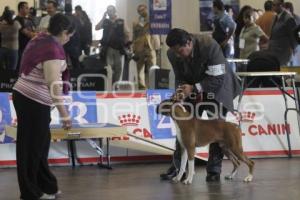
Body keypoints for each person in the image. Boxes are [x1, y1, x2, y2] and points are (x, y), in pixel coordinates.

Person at [160, 28, 241, 182]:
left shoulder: (209, 45)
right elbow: (180, 76)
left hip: (218, 87)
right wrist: (180, 92)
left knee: (217, 126)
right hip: (192, 88)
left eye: (180, 51)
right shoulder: (172, 53)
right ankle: (179, 168)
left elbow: (217, 78)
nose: (177, 55)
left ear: (189, 43)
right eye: (174, 51)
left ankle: (213, 170)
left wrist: (195, 88)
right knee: (184, 127)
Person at [12, 13, 73, 200]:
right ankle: (31, 192)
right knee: (31, 148)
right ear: (63, 32)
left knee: (39, 145)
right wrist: (64, 114)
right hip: (32, 101)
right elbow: (52, 83)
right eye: (69, 35)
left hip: (28, 97)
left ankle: (47, 185)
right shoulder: (52, 50)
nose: (69, 39)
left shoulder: (42, 37)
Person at [95, 5, 129, 85]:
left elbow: (127, 33)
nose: (110, 12)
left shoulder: (121, 21)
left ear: (114, 11)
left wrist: (126, 44)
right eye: (108, 10)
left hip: (118, 48)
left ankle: (115, 84)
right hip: (108, 48)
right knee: (109, 68)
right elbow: (97, 27)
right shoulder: (106, 21)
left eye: (111, 10)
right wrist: (103, 17)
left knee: (118, 68)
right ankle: (109, 84)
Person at [132, 4, 160, 89]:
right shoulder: (135, 23)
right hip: (139, 48)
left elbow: (156, 34)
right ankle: (142, 88)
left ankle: (153, 87)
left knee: (152, 69)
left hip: (150, 47)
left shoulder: (153, 20)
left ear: (146, 9)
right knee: (140, 69)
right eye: (139, 10)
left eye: (143, 9)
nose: (141, 12)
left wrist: (157, 47)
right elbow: (134, 36)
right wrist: (134, 49)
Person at [268, 0, 297, 66]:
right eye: (273, 5)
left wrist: (293, 50)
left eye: (276, 5)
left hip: (284, 54)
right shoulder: (275, 17)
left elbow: (294, 37)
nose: (274, 7)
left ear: (282, 5)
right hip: (273, 52)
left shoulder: (288, 18)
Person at [14, 1, 36, 70]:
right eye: (26, 8)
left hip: (29, 48)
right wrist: (39, 35)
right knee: (20, 69)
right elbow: (27, 33)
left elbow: (34, 30)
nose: (28, 10)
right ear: (21, 9)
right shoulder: (17, 20)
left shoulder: (29, 19)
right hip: (21, 48)